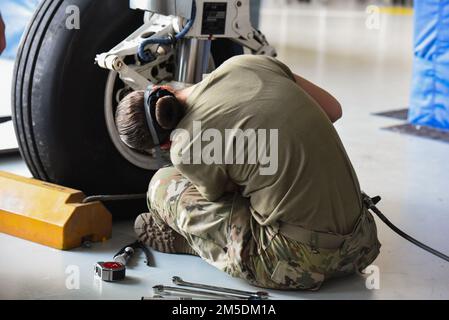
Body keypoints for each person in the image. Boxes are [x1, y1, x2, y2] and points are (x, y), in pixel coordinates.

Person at [115, 55, 381, 290]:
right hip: (362, 241)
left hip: (299, 266)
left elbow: (226, 197)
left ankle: (205, 246)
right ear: (162, 87)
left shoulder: (184, 148)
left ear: (162, 144)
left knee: (162, 184)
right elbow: (334, 110)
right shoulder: (245, 63)